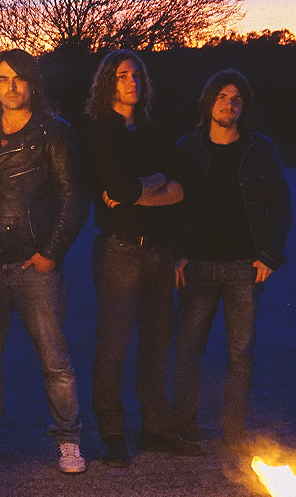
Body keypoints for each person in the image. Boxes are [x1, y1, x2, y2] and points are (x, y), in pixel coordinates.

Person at [0, 49, 90, 473]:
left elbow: (73, 197)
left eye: (19, 78)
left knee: (54, 359)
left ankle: (68, 440)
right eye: (3, 79)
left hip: (34, 266)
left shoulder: (53, 133)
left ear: (32, 84)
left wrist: (50, 253)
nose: (10, 87)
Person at [83, 49, 200, 467]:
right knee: (113, 347)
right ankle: (112, 434)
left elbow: (179, 191)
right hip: (120, 250)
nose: (131, 81)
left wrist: (141, 189)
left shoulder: (155, 134)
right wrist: (153, 185)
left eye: (136, 74)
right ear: (108, 84)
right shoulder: (100, 133)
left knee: (156, 344)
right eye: (121, 75)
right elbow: (119, 188)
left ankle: (156, 428)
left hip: (159, 252)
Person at [172, 69, 291, 446]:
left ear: (245, 106)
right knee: (188, 347)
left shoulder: (261, 150)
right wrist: (177, 254)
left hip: (245, 267)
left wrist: (269, 255)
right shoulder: (187, 149)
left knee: (241, 351)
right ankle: (183, 422)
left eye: (237, 98)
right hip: (197, 265)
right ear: (209, 102)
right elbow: (172, 208)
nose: (229, 104)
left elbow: (281, 206)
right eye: (223, 96)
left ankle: (234, 427)